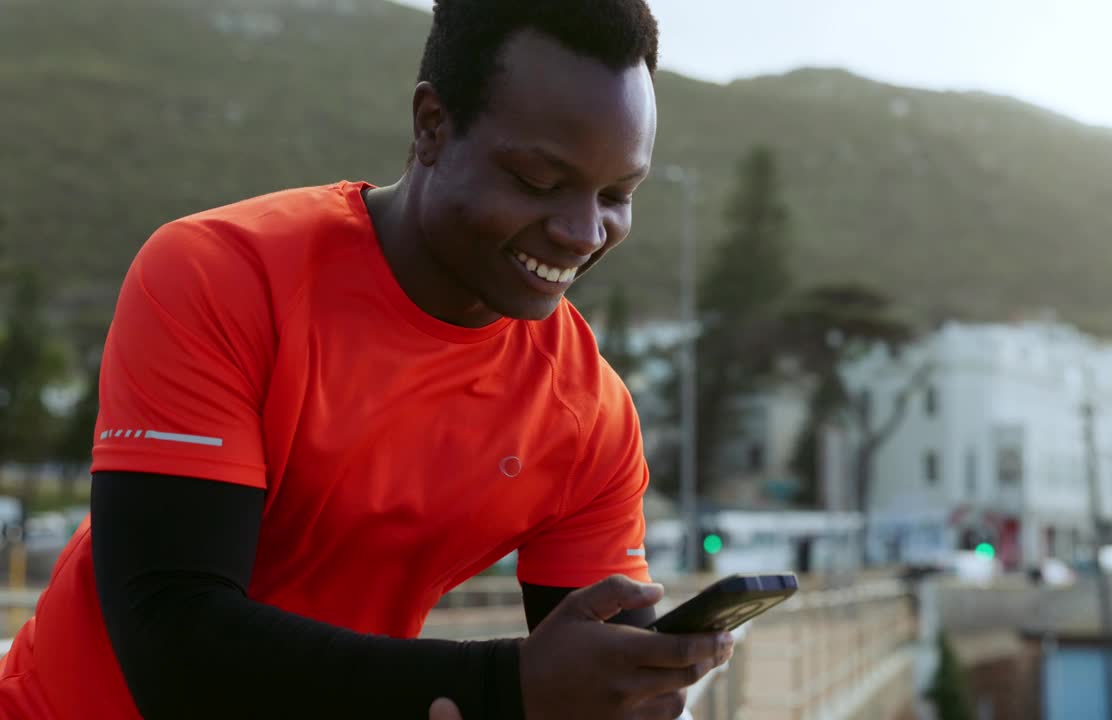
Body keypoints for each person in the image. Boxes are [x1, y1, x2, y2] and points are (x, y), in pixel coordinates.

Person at [0, 1, 733, 717]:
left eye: (617, 194)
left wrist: (630, 686)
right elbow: (174, 645)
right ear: (432, 127)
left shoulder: (590, 415)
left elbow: (582, 675)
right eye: (538, 182)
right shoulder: (220, 276)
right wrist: (502, 690)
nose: (581, 232)